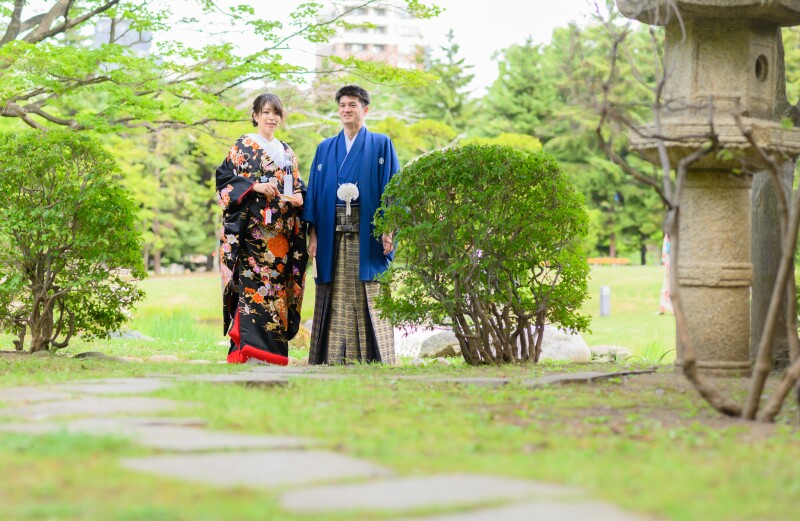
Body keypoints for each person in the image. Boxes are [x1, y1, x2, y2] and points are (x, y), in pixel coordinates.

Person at [305, 85, 399, 365]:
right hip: (331, 230)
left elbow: (392, 188)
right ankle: (332, 356)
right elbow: (316, 192)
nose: (347, 110)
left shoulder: (381, 144)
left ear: (365, 110)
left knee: (367, 288)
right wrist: (313, 233)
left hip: (367, 229)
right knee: (333, 290)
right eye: (343, 105)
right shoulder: (325, 148)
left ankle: (374, 355)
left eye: (353, 105)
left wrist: (389, 227)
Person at [215, 93, 308, 365]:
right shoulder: (242, 146)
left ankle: (272, 355)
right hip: (252, 236)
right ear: (255, 115)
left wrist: (300, 195)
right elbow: (224, 181)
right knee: (251, 291)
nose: (271, 118)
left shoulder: (287, 151)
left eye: (276, 113)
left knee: (278, 293)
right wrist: (254, 186)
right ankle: (248, 352)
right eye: (265, 112)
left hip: (281, 237)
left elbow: (296, 184)